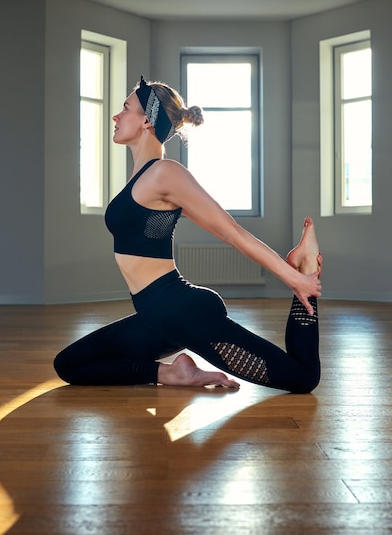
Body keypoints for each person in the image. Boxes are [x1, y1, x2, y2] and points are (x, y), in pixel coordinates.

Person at [54, 76, 322, 393]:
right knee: (69, 364)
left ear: (147, 121)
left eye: (126, 108)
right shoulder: (141, 176)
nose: (116, 116)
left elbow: (231, 232)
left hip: (184, 313)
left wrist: (294, 279)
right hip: (154, 318)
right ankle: (172, 374)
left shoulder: (166, 173)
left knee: (302, 378)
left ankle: (304, 268)